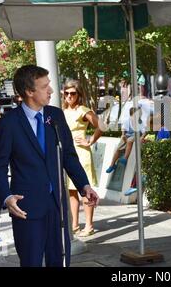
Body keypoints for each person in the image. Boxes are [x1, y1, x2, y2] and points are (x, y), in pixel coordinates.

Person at [0, 65, 99, 267]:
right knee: (31, 262)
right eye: (44, 86)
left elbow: (69, 156)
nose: (51, 91)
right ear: (29, 92)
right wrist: (6, 196)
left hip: (57, 205)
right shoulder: (9, 124)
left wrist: (84, 185)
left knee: (58, 261)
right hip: (26, 207)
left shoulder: (56, 116)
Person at [62, 80, 102, 237]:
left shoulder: (83, 110)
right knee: (71, 192)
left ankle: (89, 225)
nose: (69, 96)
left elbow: (101, 126)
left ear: (79, 95)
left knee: (85, 191)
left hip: (81, 153)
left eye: (73, 93)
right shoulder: (63, 111)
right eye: (66, 93)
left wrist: (90, 140)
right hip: (67, 154)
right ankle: (74, 225)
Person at [106, 107, 147, 173]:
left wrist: (142, 136)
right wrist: (123, 135)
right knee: (118, 149)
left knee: (129, 141)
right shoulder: (127, 120)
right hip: (128, 135)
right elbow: (124, 129)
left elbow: (144, 131)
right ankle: (112, 165)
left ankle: (125, 158)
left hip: (135, 135)